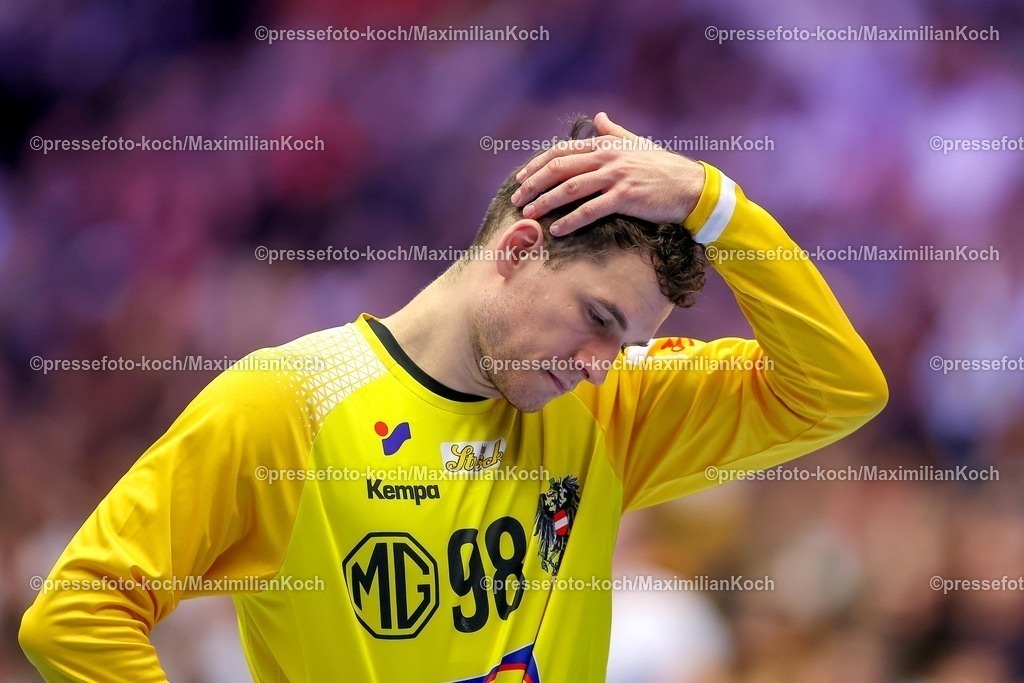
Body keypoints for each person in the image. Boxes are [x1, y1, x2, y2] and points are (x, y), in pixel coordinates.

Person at [19, 112, 887, 682]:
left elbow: (838, 388)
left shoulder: (613, 407)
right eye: (596, 317)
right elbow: (76, 614)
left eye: (623, 339)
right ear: (515, 249)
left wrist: (717, 206)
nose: (600, 360)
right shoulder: (286, 400)